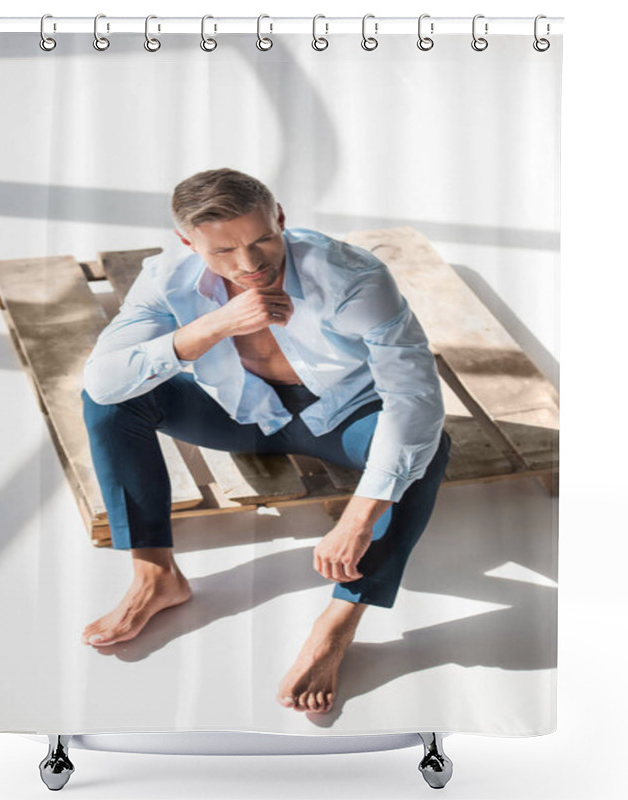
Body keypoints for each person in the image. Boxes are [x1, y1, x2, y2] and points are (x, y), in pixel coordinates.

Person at [80, 168, 450, 714]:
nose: (250, 264)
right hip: (238, 414)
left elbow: (414, 402)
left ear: (280, 217)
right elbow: (103, 379)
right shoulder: (167, 278)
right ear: (189, 242)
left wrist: (357, 518)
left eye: (261, 240)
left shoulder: (353, 279)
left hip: (341, 416)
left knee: (426, 447)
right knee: (110, 402)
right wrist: (216, 325)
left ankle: (339, 620)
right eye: (225, 250)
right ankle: (156, 574)